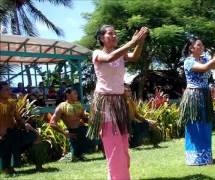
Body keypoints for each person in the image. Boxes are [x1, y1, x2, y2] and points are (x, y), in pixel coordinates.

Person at [87, 25, 149, 179]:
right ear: (101, 38)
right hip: (105, 103)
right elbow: (109, 58)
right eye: (110, 34)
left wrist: (140, 41)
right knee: (113, 144)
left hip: (119, 102)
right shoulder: (97, 53)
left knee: (122, 144)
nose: (114, 36)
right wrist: (132, 42)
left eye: (115, 33)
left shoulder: (120, 54)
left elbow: (134, 57)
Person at [179, 37, 215, 165]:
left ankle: (205, 156)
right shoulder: (188, 61)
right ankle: (194, 158)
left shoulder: (204, 59)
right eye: (199, 44)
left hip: (204, 95)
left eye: (202, 44)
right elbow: (204, 68)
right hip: (194, 96)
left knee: (205, 125)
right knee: (195, 125)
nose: (202, 46)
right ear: (191, 48)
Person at [0, 81, 45, 174]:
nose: (10, 91)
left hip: (14, 133)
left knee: (35, 136)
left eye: (10, 89)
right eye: (6, 89)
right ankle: (7, 167)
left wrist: (25, 124)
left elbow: (19, 119)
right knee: (6, 145)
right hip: (2, 138)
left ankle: (39, 166)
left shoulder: (12, 103)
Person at [49, 88, 89, 161]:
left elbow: (84, 119)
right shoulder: (61, 106)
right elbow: (52, 123)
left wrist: (93, 122)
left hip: (82, 130)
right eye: (75, 94)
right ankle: (67, 157)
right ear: (68, 95)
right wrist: (65, 133)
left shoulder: (78, 104)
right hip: (72, 133)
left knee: (98, 138)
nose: (77, 95)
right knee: (74, 157)